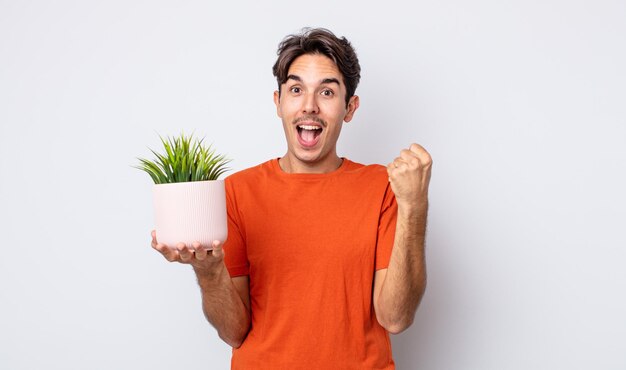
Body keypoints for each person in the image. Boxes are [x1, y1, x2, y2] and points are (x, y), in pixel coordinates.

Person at [152, 27, 432, 369]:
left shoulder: (383, 187)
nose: (309, 107)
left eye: (327, 92)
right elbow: (234, 332)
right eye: (296, 90)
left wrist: (414, 207)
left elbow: (396, 317)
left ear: (350, 107)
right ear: (278, 102)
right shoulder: (238, 192)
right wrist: (209, 272)